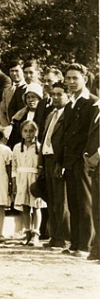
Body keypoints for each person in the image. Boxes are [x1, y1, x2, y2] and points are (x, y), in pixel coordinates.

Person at [53, 63, 99, 258]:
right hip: (70, 162)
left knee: (86, 202)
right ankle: (76, 242)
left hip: (84, 161)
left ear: (85, 79)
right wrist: (60, 162)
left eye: (75, 78)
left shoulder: (92, 103)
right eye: (68, 78)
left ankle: (86, 245)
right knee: (73, 202)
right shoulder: (70, 103)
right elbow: (65, 135)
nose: (71, 82)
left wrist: (87, 158)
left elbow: (93, 136)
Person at [41, 82, 70, 250]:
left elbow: (66, 141)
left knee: (61, 200)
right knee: (51, 199)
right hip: (47, 159)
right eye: (54, 95)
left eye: (60, 94)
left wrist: (62, 162)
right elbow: (44, 138)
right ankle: (54, 236)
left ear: (67, 96)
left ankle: (64, 238)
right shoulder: (51, 115)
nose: (56, 98)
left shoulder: (68, 114)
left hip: (59, 160)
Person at [13, 120, 45, 246]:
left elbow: (42, 166)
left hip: (34, 179)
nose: (28, 134)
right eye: (25, 131)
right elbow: (14, 166)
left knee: (36, 206)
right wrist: (14, 182)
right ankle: (27, 231)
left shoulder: (39, 147)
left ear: (36, 132)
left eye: (31, 131)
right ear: (21, 133)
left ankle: (35, 234)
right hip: (21, 178)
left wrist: (40, 182)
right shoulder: (16, 148)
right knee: (25, 206)